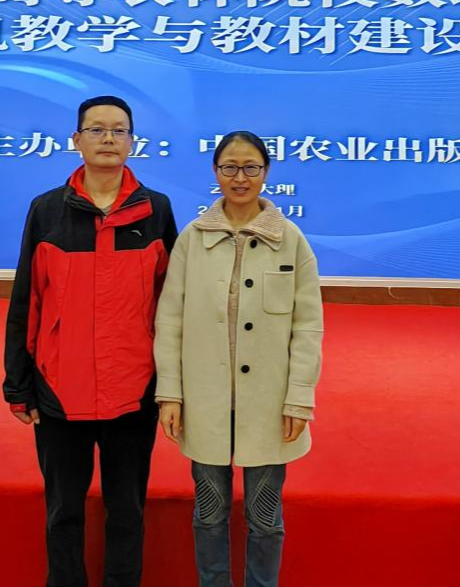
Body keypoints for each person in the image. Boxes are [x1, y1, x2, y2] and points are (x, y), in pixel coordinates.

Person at [3, 95, 177, 587]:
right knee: (63, 511)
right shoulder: (47, 211)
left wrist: (172, 384)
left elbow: (172, 305)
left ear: (132, 142)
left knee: (128, 511)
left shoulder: (156, 210)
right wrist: (18, 384)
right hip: (60, 389)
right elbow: (27, 299)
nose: (108, 138)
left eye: (118, 130)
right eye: (96, 129)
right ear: (76, 140)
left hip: (134, 389)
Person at [153, 130, 324, 587]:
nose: (240, 177)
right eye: (230, 167)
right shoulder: (193, 239)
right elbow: (170, 319)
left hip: (268, 402)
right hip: (205, 400)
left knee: (265, 519)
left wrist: (299, 398)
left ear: (266, 172)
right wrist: (170, 393)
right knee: (209, 515)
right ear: (216, 172)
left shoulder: (290, 240)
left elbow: (308, 327)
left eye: (251, 167)